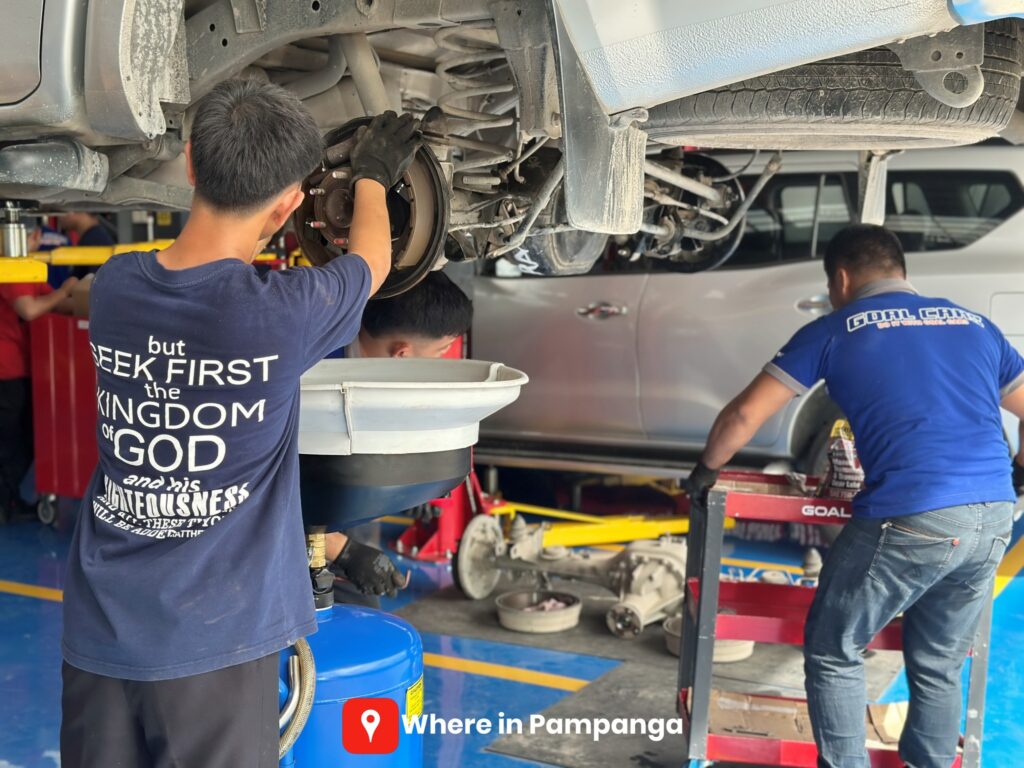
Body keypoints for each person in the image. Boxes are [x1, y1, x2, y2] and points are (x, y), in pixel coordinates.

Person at [60, 78, 421, 768]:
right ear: (289, 205)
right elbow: (371, 263)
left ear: (190, 164)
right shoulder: (284, 313)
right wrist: (373, 179)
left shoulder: (116, 287)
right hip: (215, 644)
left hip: (101, 629)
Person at [683, 224, 1024, 768]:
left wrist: (705, 472)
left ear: (840, 279)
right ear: (901, 271)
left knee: (833, 649)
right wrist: (1017, 473)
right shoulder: (974, 324)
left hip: (910, 515)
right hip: (994, 515)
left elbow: (744, 415)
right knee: (939, 662)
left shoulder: (834, 329)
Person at [324, 270, 473, 601]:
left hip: (340, 501)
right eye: (441, 351)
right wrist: (341, 550)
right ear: (402, 353)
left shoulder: (377, 362)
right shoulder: (310, 372)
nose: (441, 360)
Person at [0, 276, 77, 520]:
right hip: (6, 369)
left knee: (23, 438)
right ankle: (5, 503)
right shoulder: (11, 271)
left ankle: (8, 500)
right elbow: (29, 309)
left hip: (19, 365)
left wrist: (78, 297)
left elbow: (54, 302)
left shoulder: (29, 272)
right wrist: (65, 291)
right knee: (13, 441)